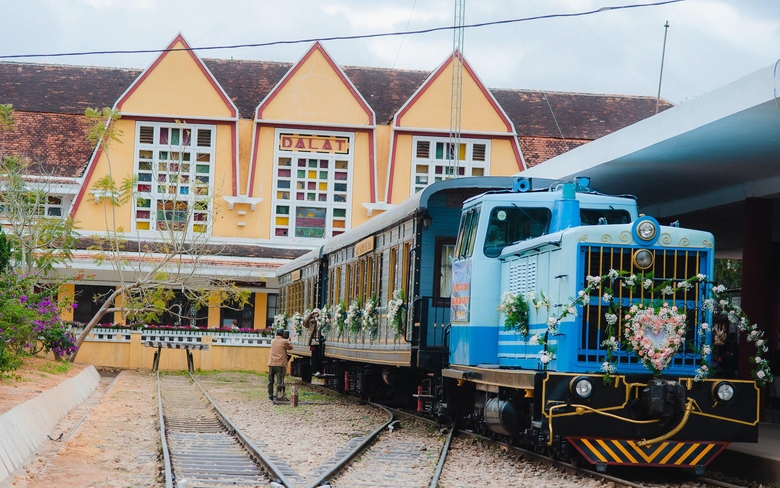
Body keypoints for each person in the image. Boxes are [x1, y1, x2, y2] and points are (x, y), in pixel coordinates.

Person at [267, 328, 292, 401]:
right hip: (280, 364)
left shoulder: (272, 341)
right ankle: (278, 395)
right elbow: (290, 347)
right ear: (283, 334)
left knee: (270, 381)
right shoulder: (284, 341)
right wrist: (289, 341)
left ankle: (270, 395)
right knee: (279, 381)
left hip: (271, 363)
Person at [303, 309, 324, 376]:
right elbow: (305, 323)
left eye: (317, 313)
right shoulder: (312, 322)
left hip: (320, 341)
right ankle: (315, 370)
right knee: (314, 356)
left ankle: (320, 370)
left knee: (320, 356)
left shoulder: (322, 321)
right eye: (314, 313)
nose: (316, 314)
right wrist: (310, 315)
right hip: (314, 341)